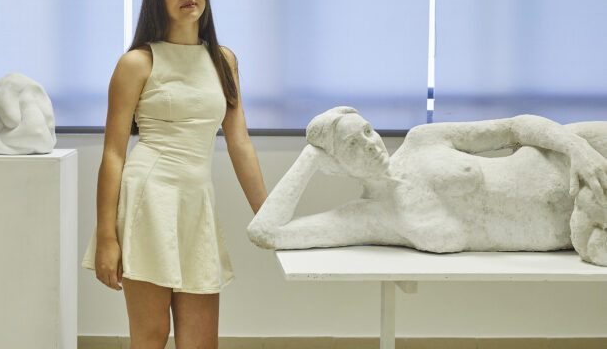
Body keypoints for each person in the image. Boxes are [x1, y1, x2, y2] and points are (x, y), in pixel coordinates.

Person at [82, 0, 267, 348]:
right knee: (151, 337)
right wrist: (106, 237)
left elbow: (240, 143)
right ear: (158, 0)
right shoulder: (137, 62)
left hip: (197, 204)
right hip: (149, 198)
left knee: (201, 341)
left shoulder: (223, 60)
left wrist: (269, 214)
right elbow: (113, 155)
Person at [248, 106, 607, 266]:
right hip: (579, 229)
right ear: (335, 165)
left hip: (572, 161)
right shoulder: (369, 217)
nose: (371, 144)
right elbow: (267, 232)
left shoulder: (422, 141)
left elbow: (516, 126)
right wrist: (310, 157)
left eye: (367, 131)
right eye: (352, 145)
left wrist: (577, 149)